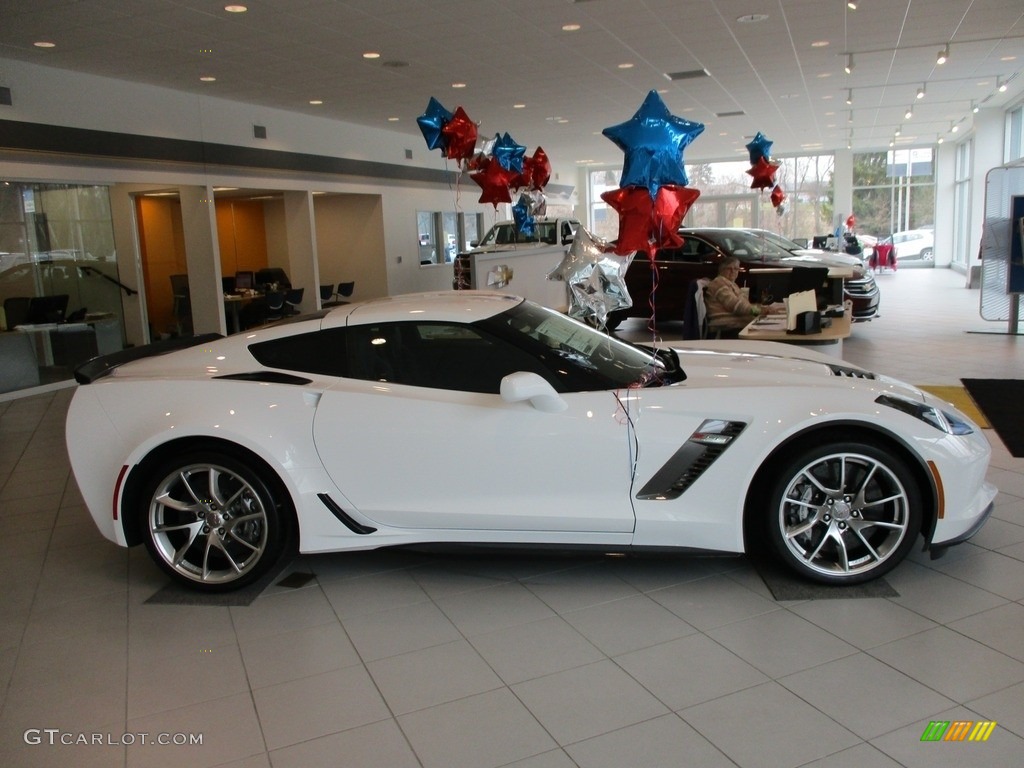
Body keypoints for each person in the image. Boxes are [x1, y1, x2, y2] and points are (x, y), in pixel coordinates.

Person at [705, 257, 783, 337]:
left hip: (736, 326)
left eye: (736, 269)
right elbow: (737, 307)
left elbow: (746, 305)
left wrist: (765, 308)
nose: (733, 271)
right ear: (721, 270)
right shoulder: (719, 283)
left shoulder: (732, 284)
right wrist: (759, 311)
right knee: (767, 335)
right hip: (726, 329)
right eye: (729, 268)